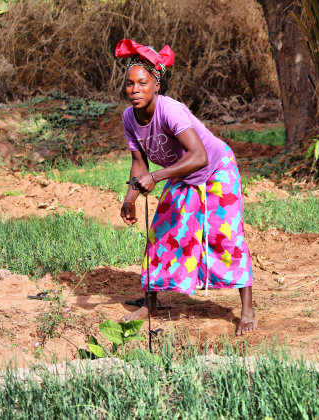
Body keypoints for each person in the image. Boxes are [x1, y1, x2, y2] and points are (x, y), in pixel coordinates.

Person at [115, 39, 256, 336]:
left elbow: (199, 156)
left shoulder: (171, 111)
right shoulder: (129, 118)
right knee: (161, 234)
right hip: (182, 173)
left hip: (217, 169)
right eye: (129, 84)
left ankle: (246, 310)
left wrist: (157, 177)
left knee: (225, 237)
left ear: (156, 85)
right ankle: (151, 301)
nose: (135, 90)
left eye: (142, 83)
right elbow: (139, 164)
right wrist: (129, 198)